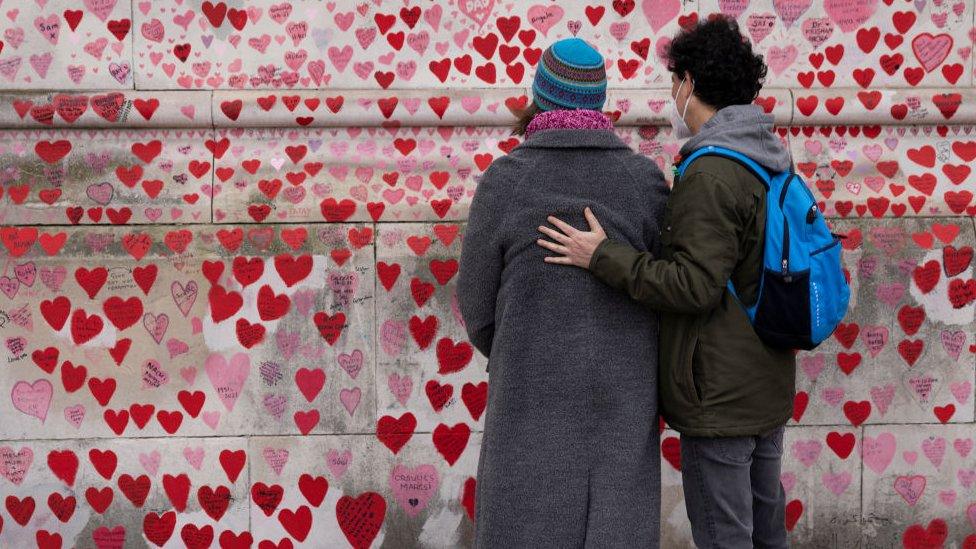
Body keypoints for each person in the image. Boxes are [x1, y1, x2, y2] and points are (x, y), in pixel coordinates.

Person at [536, 17, 795, 549]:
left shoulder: (712, 171)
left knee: (726, 537)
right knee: (767, 532)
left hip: (719, 396)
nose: (671, 93)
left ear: (690, 84)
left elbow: (693, 285)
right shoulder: (767, 154)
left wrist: (602, 255)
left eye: (674, 80)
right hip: (764, 383)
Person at [458, 37, 669, 547]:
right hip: (625, 395)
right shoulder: (643, 180)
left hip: (529, 395)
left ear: (540, 96)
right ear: (598, 102)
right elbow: (669, 288)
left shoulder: (506, 180)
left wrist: (521, 350)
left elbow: (475, 303)